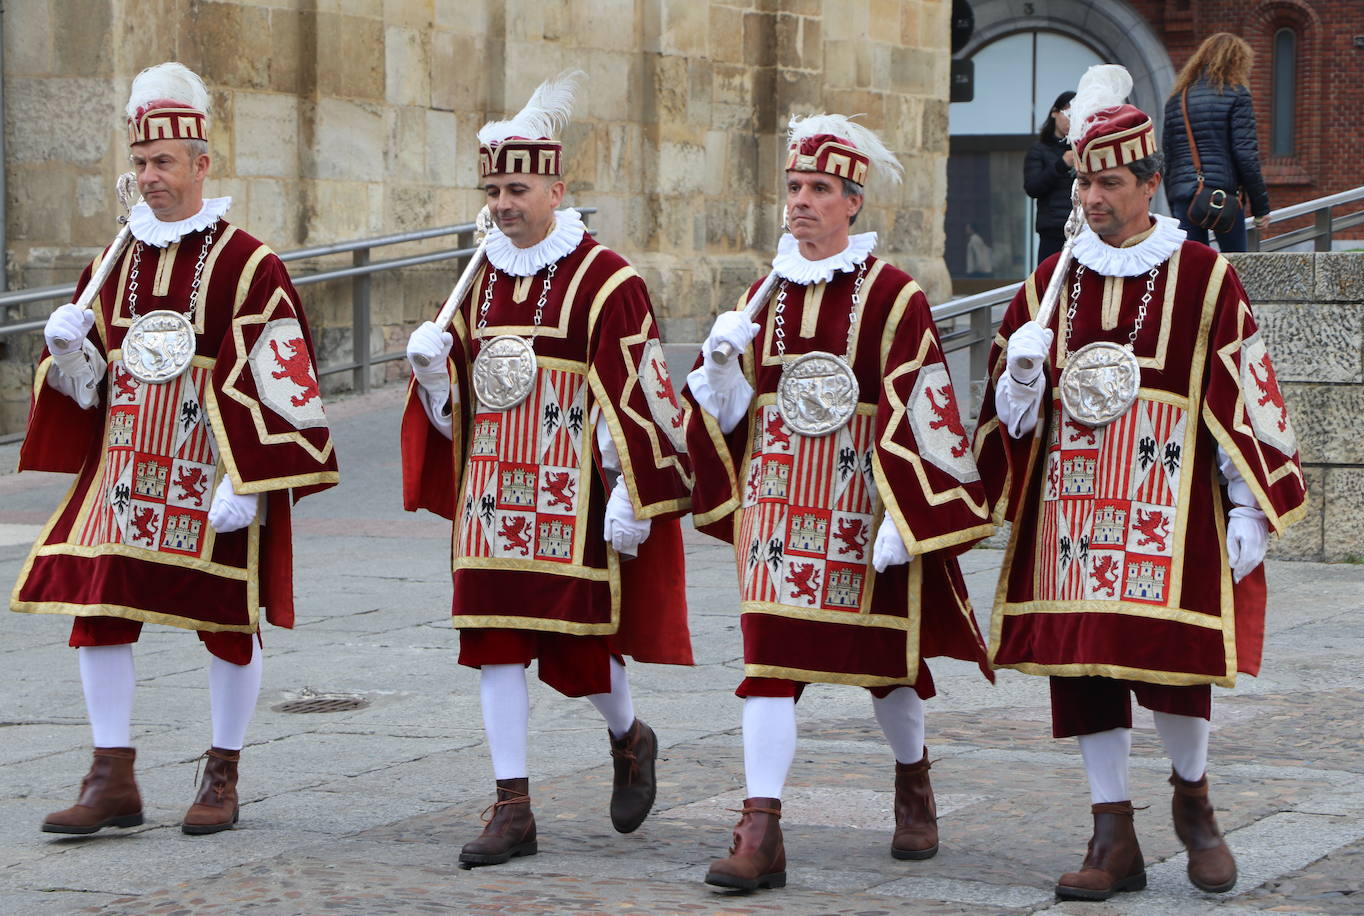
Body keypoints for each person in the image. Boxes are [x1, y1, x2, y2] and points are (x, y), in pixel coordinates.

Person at [974, 65, 1308, 901]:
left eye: (1108, 182)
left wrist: (1245, 503)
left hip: (1168, 497)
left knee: (1171, 655)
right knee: (1083, 662)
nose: (1089, 198)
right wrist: (1017, 376)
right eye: (1083, 179)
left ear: (1151, 183)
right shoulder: (1050, 282)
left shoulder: (1201, 273)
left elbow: (1241, 385)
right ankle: (1111, 830)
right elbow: (1008, 419)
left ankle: (1193, 804)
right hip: (1074, 505)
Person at [11, 62, 339, 836]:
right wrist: (68, 356)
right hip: (124, 474)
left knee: (226, 616)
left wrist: (252, 482)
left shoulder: (248, 264)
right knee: (94, 602)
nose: (149, 178)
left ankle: (222, 770)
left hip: (210, 475)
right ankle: (111, 774)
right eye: (139, 163)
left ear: (201, 165)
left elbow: (285, 379)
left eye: (163, 163)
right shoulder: (113, 261)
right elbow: (92, 390)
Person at [683, 114, 995, 891]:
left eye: (819, 189)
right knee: (766, 666)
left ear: (853, 201)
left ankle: (913, 779)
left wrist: (908, 516)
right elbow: (727, 420)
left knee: (887, 664)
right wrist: (720, 367)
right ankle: (761, 829)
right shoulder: (761, 295)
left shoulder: (892, 295)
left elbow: (928, 406)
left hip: (864, 503)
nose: (802, 202)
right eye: (794, 187)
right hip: (780, 510)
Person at [401, 71, 694, 868]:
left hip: (571, 501)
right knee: (493, 644)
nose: (502, 203)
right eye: (492, 188)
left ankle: (629, 737)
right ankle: (512, 805)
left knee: (579, 651)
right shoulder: (477, 280)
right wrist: (433, 376)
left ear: (557, 188)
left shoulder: (608, 281)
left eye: (517, 187)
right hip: (492, 499)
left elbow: (641, 394)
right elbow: (458, 413)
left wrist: (631, 490)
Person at [1163, 32, 1272, 252]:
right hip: (1222, 197)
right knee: (1236, 265)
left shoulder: (1178, 98)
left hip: (1184, 196)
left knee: (1194, 267)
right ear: (1236, 62)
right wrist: (1261, 209)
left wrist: (1174, 199)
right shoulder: (1236, 95)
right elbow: (1245, 155)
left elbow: (1168, 156)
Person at [1023, 90, 1077, 265]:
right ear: (1055, 113)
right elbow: (1032, 187)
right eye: (1067, 113)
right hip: (1052, 229)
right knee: (1047, 282)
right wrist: (1061, 164)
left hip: (1082, 228)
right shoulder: (1039, 149)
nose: (1071, 120)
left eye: (1076, 115)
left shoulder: (1083, 146)